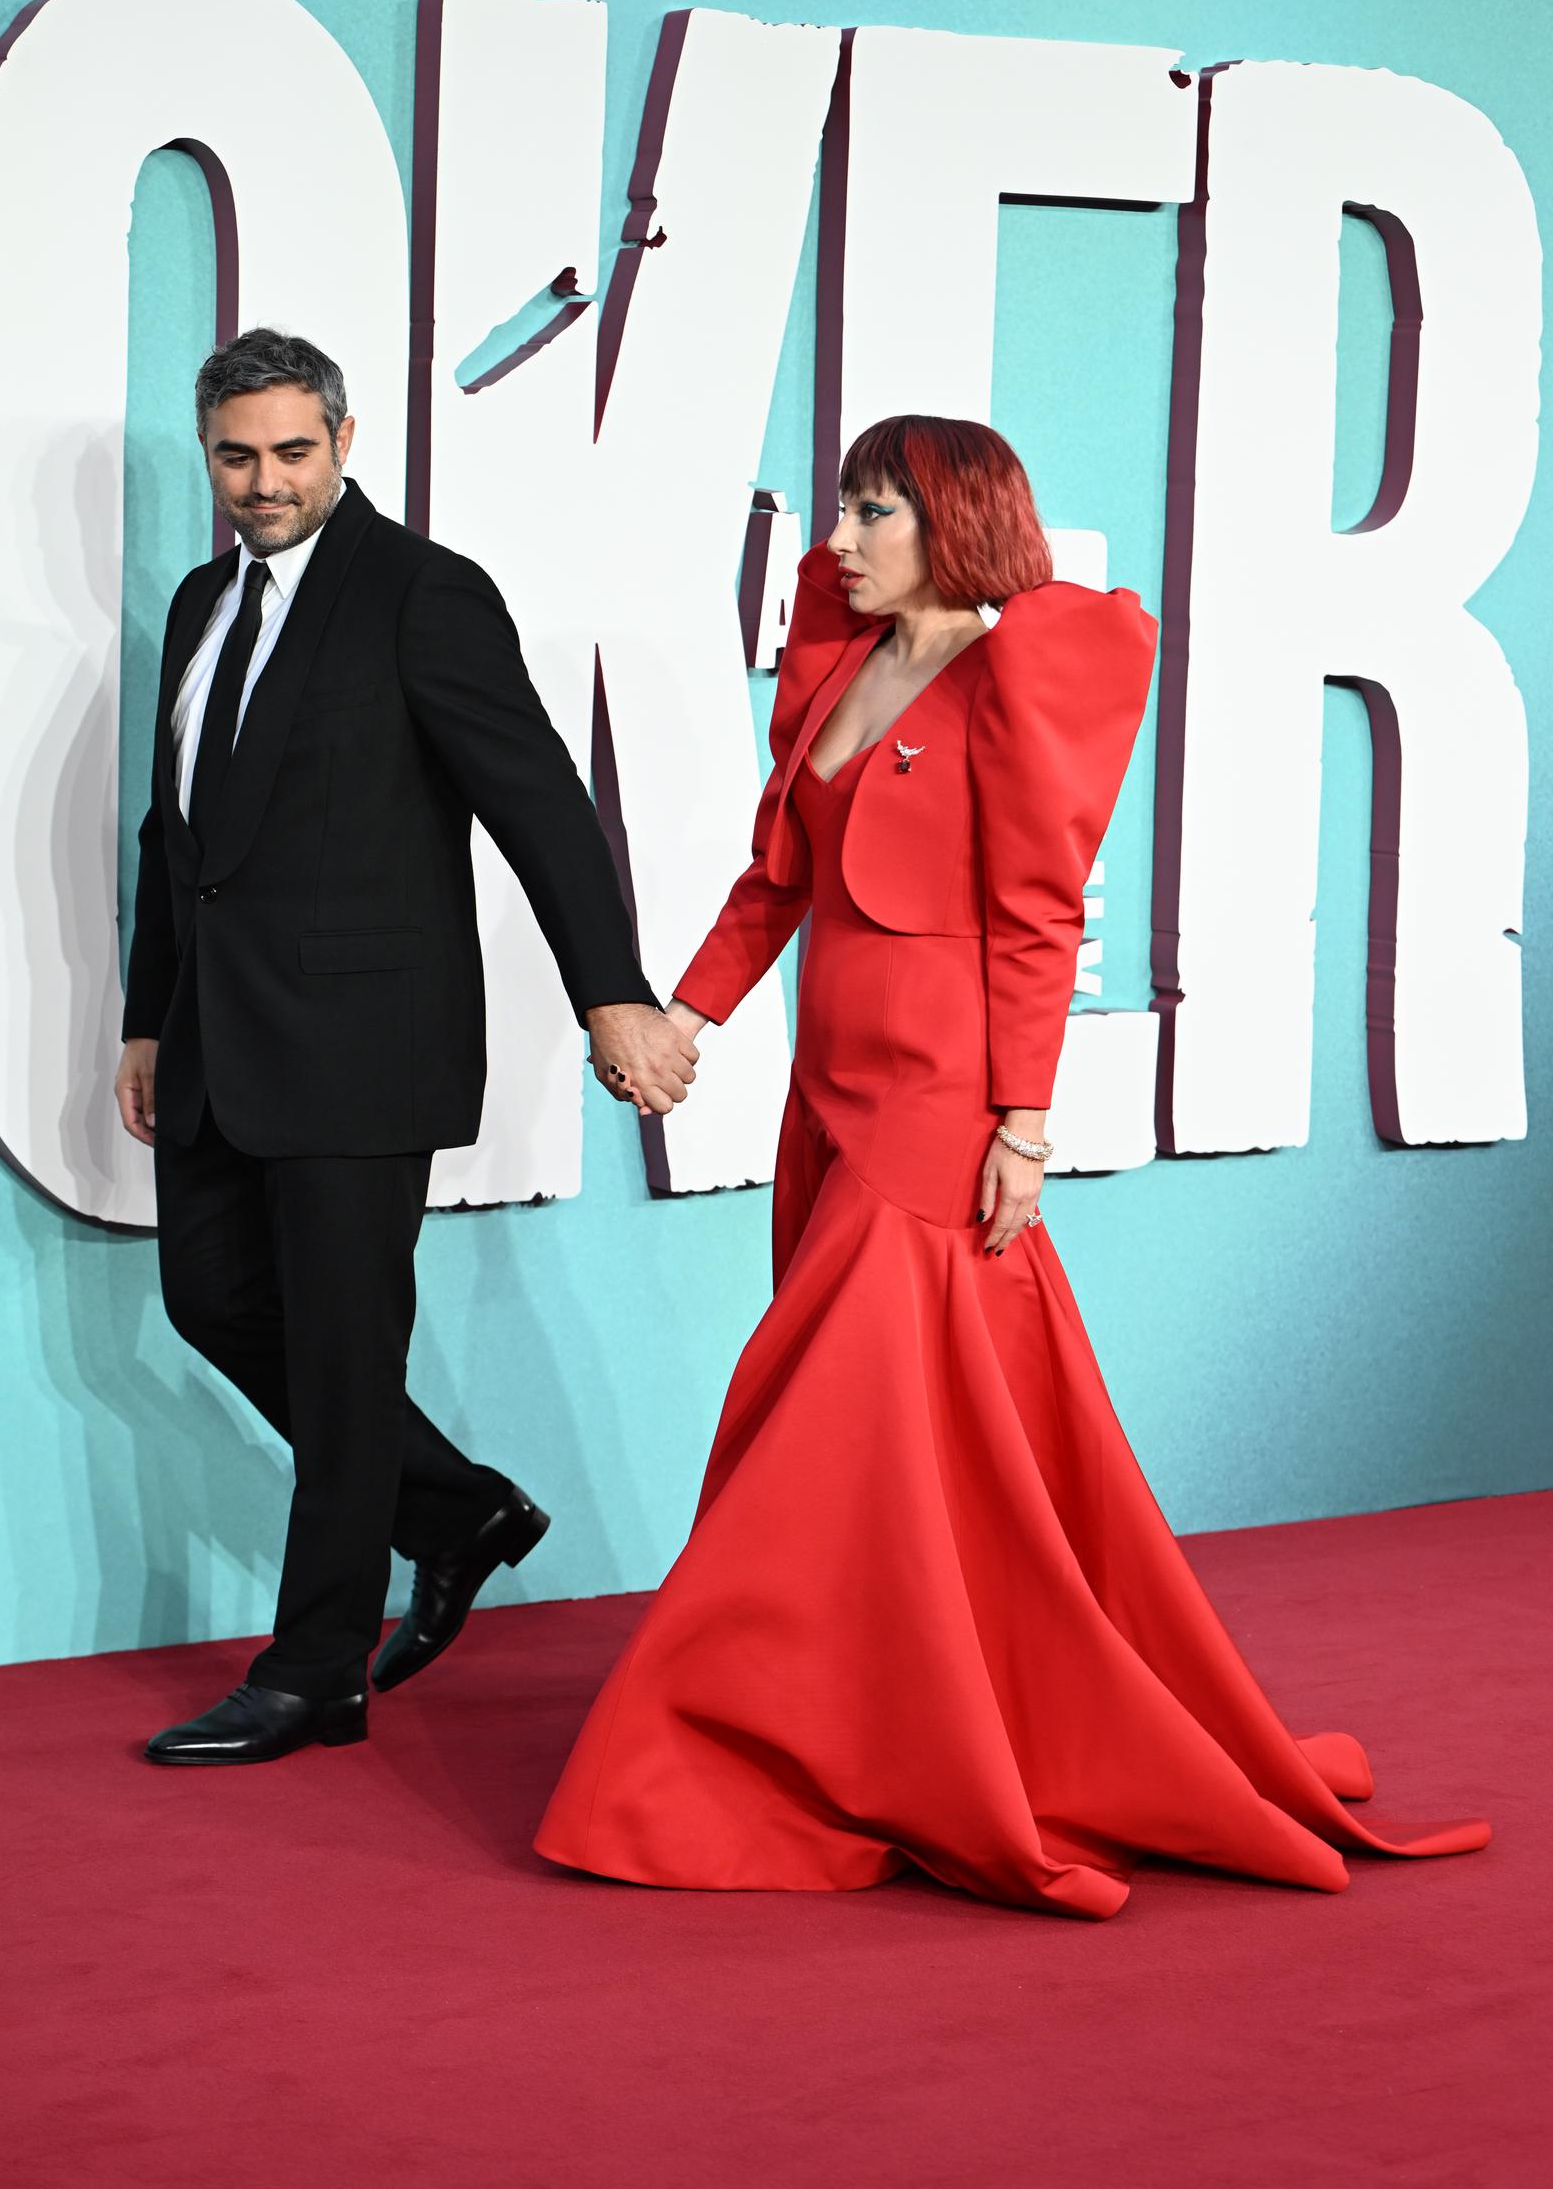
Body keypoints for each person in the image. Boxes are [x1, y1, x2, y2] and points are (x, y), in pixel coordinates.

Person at [535, 415, 1489, 1915]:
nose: (837, 540)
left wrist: (1025, 1126)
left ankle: (708, 1743)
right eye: (845, 509)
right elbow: (777, 879)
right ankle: (923, 1712)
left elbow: (1042, 918)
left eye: (872, 511)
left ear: (954, 521)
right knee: (920, 1446)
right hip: (828, 1095)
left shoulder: (1020, 671)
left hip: (937, 1104)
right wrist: (687, 1016)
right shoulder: (841, 666)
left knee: (811, 1426)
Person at [117, 327, 696, 1766]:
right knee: (211, 1303)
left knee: (339, 1341)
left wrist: (610, 990)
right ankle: (453, 1512)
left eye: (291, 453)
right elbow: (173, 837)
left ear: (347, 440)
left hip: (365, 1044)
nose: (264, 482)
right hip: (212, 1041)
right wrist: (144, 1014)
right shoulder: (201, 604)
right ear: (210, 455)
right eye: (237, 457)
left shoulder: (421, 594)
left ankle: (317, 1666)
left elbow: (540, 803)